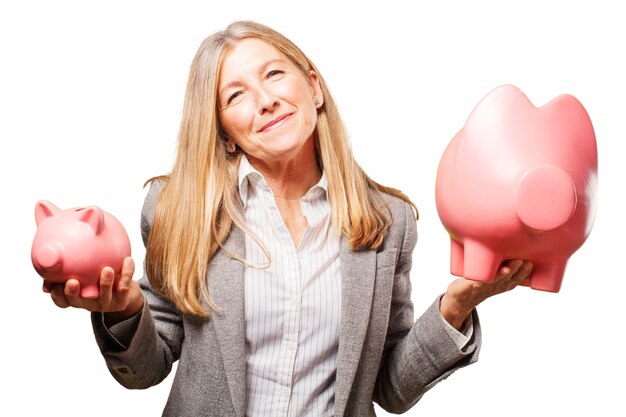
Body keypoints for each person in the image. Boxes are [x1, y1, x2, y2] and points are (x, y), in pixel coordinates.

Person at [46, 20, 534, 417]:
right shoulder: (177, 207)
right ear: (225, 132)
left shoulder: (390, 222)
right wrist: (125, 307)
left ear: (314, 87)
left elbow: (390, 389)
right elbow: (146, 369)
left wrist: (457, 305)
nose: (264, 100)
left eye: (275, 74)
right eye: (235, 95)